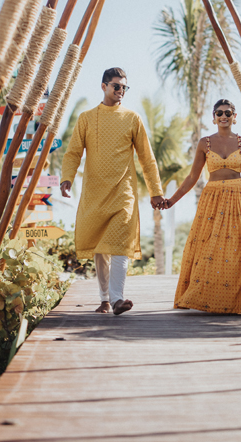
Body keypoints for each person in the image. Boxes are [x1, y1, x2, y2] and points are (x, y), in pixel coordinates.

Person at [60, 67, 165, 315]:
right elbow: (73, 152)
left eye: (124, 87)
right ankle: (105, 298)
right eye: (116, 86)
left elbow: (147, 159)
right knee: (100, 249)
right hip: (95, 194)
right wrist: (67, 178)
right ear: (104, 86)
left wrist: (156, 191)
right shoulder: (86, 118)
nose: (120, 91)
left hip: (123, 193)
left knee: (120, 245)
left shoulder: (132, 118)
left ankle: (117, 299)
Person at [165, 99, 241, 314]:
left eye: (228, 113)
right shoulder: (205, 143)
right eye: (219, 113)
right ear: (213, 117)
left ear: (234, 116)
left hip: (239, 198)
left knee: (239, 249)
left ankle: (237, 300)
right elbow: (193, 177)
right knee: (207, 247)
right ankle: (203, 297)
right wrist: (172, 201)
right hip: (211, 200)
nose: (224, 116)